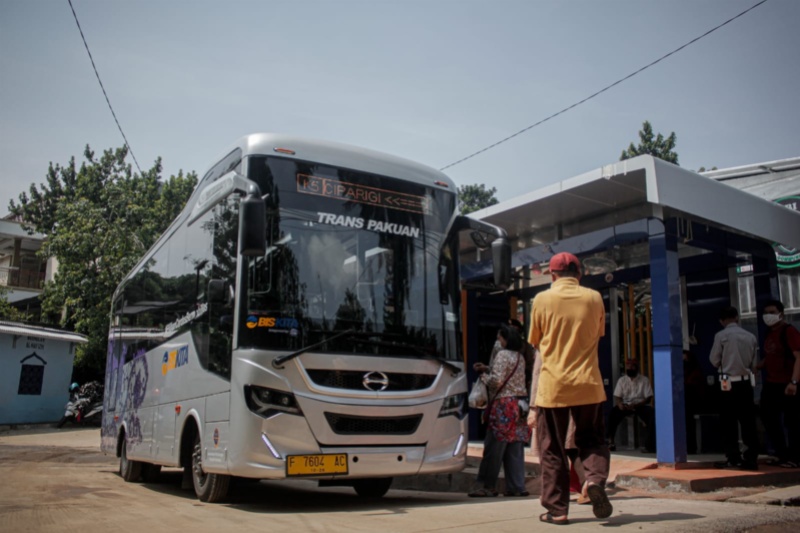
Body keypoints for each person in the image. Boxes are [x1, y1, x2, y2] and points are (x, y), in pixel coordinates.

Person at [528, 252, 612, 525]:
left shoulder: (541, 299)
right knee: (593, 439)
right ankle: (594, 480)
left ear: (551, 275)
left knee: (552, 448)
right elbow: (598, 334)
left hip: (553, 387)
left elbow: (536, 341)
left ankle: (557, 510)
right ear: (580, 273)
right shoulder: (594, 298)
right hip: (589, 384)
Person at [469, 324, 532, 497]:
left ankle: (487, 486)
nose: (498, 342)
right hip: (520, 406)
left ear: (505, 339)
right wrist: (487, 368)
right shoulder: (520, 357)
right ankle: (517, 487)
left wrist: (483, 376)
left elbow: (496, 381)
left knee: (494, 448)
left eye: (499, 338)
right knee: (515, 448)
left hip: (504, 406)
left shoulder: (502, 354)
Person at [709, 305, 759, 470]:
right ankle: (751, 458)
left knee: (728, 422)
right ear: (737, 317)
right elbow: (753, 363)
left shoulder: (721, 336)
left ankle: (733, 457)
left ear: (721, 321)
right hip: (745, 382)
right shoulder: (750, 336)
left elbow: (714, 360)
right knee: (748, 422)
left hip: (727, 384)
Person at [757, 299, 800, 468]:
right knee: (768, 417)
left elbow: (799, 357)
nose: (768, 315)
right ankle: (781, 454)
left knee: (793, 422)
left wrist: (794, 382)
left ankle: (795, 457)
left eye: (772, 312)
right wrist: (757, 366)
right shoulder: (769, 333)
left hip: (788, 384)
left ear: (781, 314)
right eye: (766, 312)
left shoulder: (789, 331)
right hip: (771, 384)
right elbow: (770, 357)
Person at [606, 359, 656, 453]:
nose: (630, 368)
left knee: (652, 416)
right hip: (626, 405)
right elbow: (617, 396)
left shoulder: (644, 380)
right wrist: (620, 404)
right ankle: (610, 442)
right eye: (628, 367)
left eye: (633, 366)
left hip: (640, 405)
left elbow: (648, 397)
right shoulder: (622, 380)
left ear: (636, 368)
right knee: (613, 414)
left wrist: (636, 405)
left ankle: (650, 445)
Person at [682, 349, 706, 455]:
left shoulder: (695, 373)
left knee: (689, 423)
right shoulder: (684, 372)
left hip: (693, 403)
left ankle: (691, 448)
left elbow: (692, 387)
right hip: (685, 403)